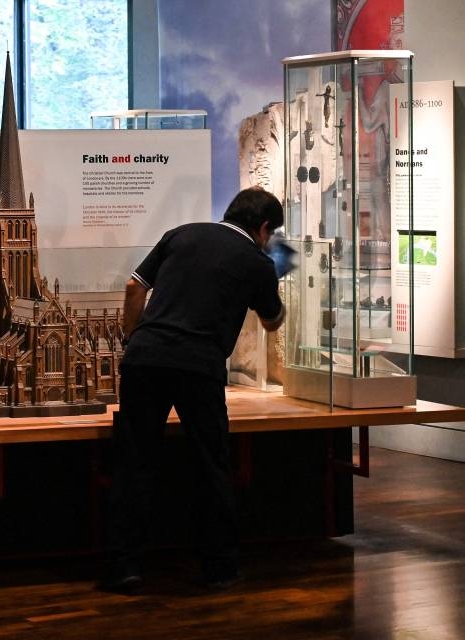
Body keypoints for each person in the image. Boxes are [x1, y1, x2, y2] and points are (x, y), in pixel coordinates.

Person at [101, 187, 286, 593]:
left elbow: (135, 288)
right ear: (264, 228)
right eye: (271, 234)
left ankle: (124, 567)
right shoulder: (256, 261)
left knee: (134, 461)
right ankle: (220, 566)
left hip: (145, 359)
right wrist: (275, 277)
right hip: (199, 366)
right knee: (211, 464)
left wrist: (134, 339)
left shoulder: (181, 233)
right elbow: (272, 321)